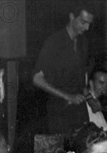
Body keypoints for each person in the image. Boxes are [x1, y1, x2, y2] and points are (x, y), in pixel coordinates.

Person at [32, 4, 94, 134]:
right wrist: (68, 96)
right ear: (72, 17)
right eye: (83, 22)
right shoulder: (53, 42)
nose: (87, 28)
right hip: (58, 110)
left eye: (89, 24)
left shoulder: (84, 43)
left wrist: (90, 99)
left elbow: (81, 80)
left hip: (79, 111)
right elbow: (37, 79)